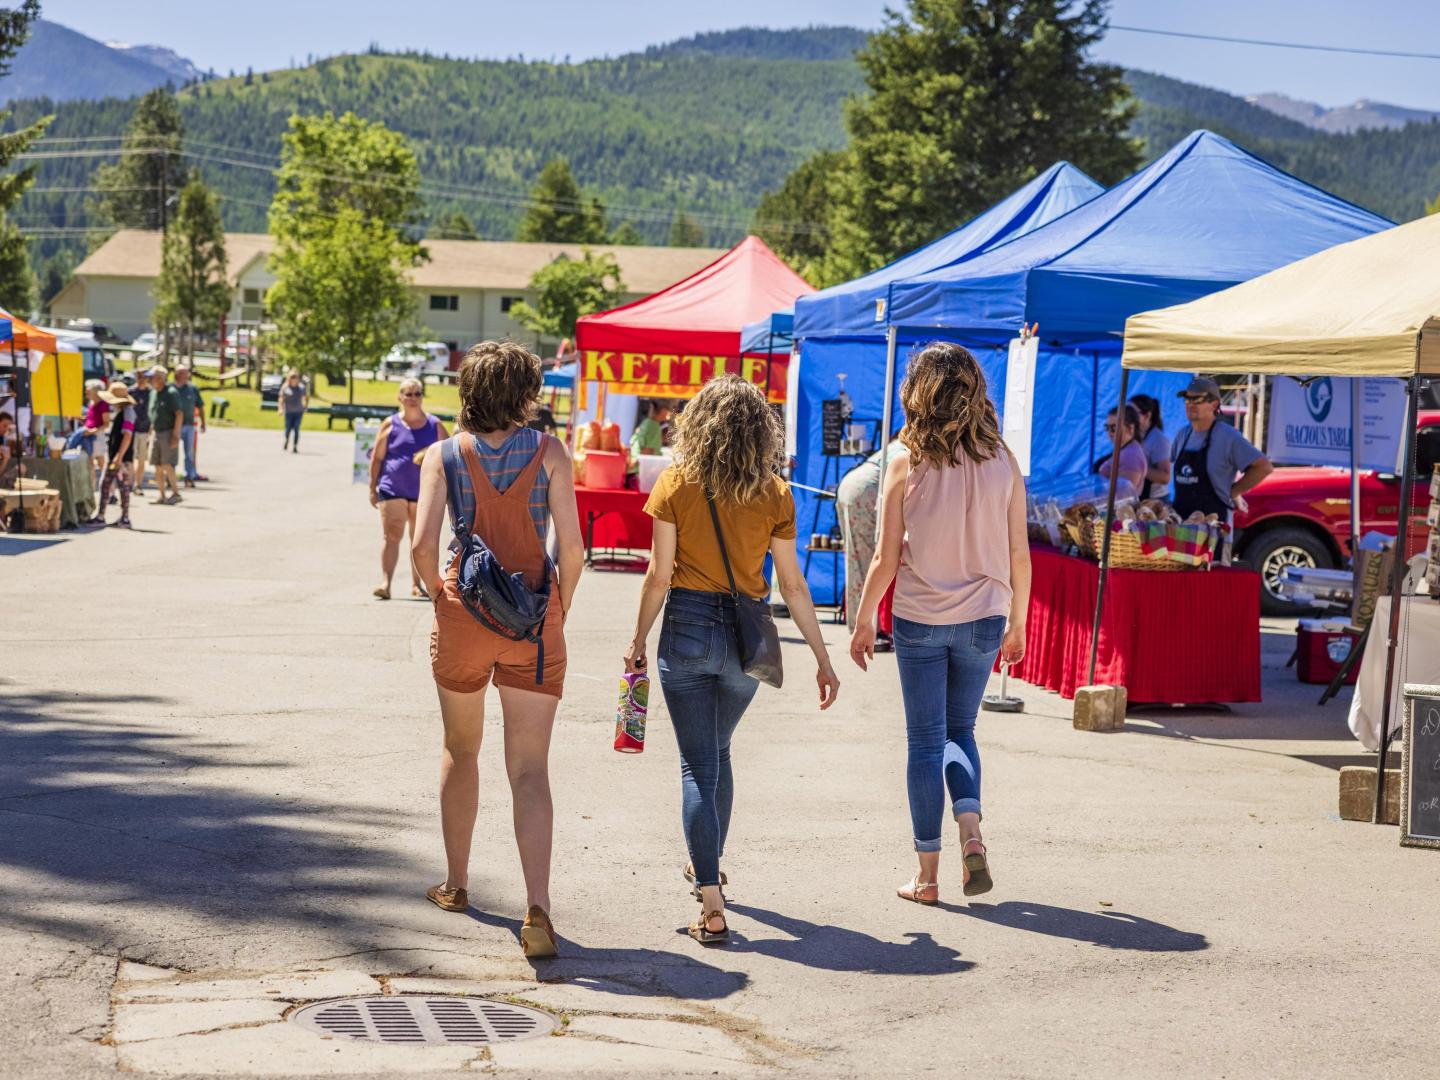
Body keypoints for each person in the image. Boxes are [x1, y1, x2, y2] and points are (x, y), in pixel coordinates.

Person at [624, 375, 841, 946]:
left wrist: (637, 640)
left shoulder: (676, 483)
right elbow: (793, 585)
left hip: (688, 630)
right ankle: (708, 862)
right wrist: (822, 658)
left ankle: (712, 902)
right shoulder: (775, 492)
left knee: (698, 764)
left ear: (698, 425)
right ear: (759, 432)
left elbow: (658, 575)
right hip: (749, 637)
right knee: (716, 753)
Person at [410, 340, 584, 959]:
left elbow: (423, 548)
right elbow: (573, 547)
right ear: (526, 394)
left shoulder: (443, 455)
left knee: (461, 748)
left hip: (465, 611)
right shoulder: (552, 452)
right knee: (531, 768)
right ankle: (537, 907)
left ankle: (457, 883)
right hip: (534, 617)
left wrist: (443, 599)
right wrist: (557, 603)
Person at [849, 342, 1030, 906]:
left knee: (925, 743)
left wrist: (861, 623)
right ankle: (971, 832)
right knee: (962, 732)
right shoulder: (1003, 459)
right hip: (986, 617)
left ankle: (926, 878)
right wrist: (1018, 621)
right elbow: (1019, 552)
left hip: (921, 618)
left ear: (918, 393)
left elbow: (883, 558)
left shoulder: (905, 461)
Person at [369, 377, 448, 599]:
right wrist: (372, 488)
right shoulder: (390, 424)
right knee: (392, 535)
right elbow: (377, 458)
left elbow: (448, 457)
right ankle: (386, 583)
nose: (413, 398)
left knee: (419, 539)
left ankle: (417, 584)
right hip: (392, 487)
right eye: (408, 393)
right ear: (400, 397)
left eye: (417, 393)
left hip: (424, 491)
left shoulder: (435, 425)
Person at [1170, 377, 1273, 521]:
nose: (1190, 404)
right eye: (1187, 399)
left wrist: (1232, 492)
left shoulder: (1228, 436)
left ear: (1214, 404)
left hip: (1214, 528)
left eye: (1197, 400)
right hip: (1180, 525)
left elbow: (1263, 467)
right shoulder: (1182, 435)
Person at [836, 438, 905, 632]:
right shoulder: (914, 447)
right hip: (869, 489)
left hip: (851, 484)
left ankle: (858, 623)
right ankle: (869, 626)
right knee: (874, 561)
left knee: (856, 561)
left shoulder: (896, 445)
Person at [85, 382, 138, 529]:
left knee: (118, 487)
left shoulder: (128, 412)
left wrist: (119, 457)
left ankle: (121, 518)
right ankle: (112, 516)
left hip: (121, 459)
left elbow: (127, 436)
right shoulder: (123, 411)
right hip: (118, 457)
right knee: (111, 485)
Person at [147, 368, 184, 505]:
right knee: (156, 465)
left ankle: (175, 493)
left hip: (168, 432)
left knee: (167, 464)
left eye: (153, 377)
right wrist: (150, 433)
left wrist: (175, 434)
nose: (150, 380)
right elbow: (154, 415)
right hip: (156, 432)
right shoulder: (153, 393)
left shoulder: (171, 393)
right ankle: (162, 495)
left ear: (160, 378)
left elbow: (179, 414)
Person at [1096, 404, 1148, 498]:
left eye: (1114, 428)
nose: (1109, 433)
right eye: (1107, 428)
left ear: (1130, 428)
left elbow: (1121, 496)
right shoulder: (1125, 449)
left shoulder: (1131, 456)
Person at [1128, 393, 1171, 500]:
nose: (1127, 417)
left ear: (1147, 416)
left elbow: (1165, 477)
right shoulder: (1134, 436)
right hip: (1139, 497)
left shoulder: (1158, 440)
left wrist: (1137, 469)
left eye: (1132, 413)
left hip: (1156, 501)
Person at [173, 365, 206, 486]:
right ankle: (170, 477)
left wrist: (203, 422)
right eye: (182, 373)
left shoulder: (192, 389)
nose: (185, 375)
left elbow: (200, 406)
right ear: (176, 374)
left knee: (189, 452)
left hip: (189, 425)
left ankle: (189, 476)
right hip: (173, 426)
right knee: (172, 452)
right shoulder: (171, 388)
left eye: (186, 373)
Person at [627, 399, 669, 486]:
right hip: (640, 474)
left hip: (634, 472)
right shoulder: (654, 426)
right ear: (662, 411)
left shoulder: (646, 423)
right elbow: (647, 450)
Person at [129, 371, 153, 493]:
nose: (142, 379)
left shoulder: (151, 393)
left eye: (144, 377)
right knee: (130, 459)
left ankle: (138, 484)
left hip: (145, 430)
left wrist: (150, 432)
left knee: (142, 458)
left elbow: (153, 413)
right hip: (132, 430)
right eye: (139, 377)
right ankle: (129, 483)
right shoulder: (131, 392)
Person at [279, 369, 308, 452]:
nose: (294, 379)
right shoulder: (285, 387)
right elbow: (281, 399)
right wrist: (280, 409)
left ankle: (295, 446)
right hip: (288, 412)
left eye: (296, 377)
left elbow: (306, 397)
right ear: (289, 378)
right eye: (292, 377)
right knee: (288, 429)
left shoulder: (301, 387)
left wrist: (305, 407)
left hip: (298, 412)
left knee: (296, 428)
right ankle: (287, 440)